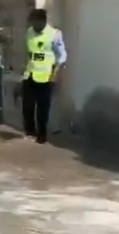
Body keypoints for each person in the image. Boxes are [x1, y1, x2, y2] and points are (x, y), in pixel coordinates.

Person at [22, 9, 67, 144]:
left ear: (43, 21)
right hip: (30, 74)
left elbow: (62, 55)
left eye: (36, 23)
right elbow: (28, 51)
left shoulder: (54, 34)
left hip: (46, 76)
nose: (33, 26)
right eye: (32, 22)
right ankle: (30, 131)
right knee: (27, 106)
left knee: (42, 108)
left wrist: (55, 74)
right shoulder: (29, 32)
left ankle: (42, 134)